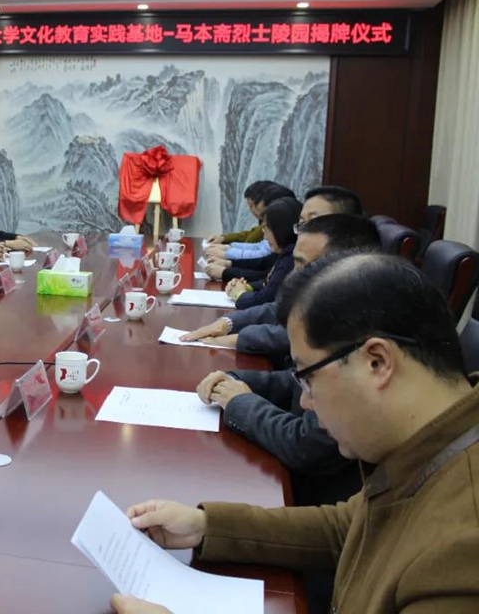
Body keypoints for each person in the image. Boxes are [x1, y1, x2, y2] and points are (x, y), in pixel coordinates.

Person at [112, 254, 479, 614]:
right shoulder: (432, 447)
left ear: (377, 362)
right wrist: (206, 526)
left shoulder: (462, 546)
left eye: (307, 377)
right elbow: (348, 528)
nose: (305, 402)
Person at [184, 214, 381, 355]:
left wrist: (236, 339)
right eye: (302, 220)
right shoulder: (315, 285)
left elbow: (291, 336)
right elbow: (276, 308)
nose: (294, 274)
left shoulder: (356, 315)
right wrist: (227, 323)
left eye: (305, 265)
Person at [207, 185, 364, 265]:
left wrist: (227, 258)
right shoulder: (301, 261)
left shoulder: (350, 279)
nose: (302, 231)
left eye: (314, 221)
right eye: (301, 222)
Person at [223, 197, 302, 309]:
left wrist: (239, 294)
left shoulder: (291, 259)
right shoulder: (284, 253)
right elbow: (268, 282)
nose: (265, 236)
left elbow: (263, 300)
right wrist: (246, 286)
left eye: (267, 229)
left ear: (280, 230)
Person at [204, 184, 295, 280]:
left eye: (254, 205)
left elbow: (263, 274)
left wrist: (226, 257)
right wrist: (227, 254)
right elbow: (259, 253)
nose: (252, 210)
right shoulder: (279, 247)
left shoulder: (289, 255)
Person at [205, 181, 281, 245]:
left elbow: (249, 241)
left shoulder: (271, 224)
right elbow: (249, 234)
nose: (250, 210)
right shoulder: (263, 222)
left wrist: (226, 251)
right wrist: (223, 238)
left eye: (252, 205)